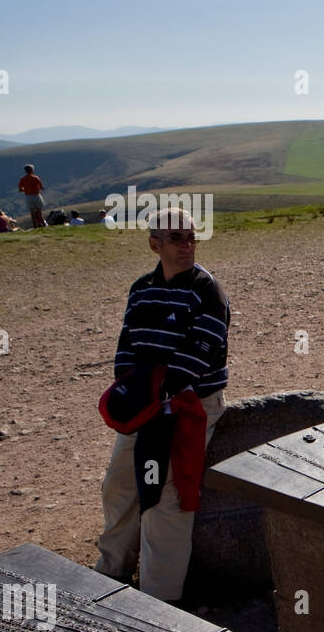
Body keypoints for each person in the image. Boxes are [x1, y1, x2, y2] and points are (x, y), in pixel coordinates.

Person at [95, 208, 230, 604]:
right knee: (119, 485)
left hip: (189, 404)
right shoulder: (141, 289)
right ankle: (110, 574)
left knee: (164, 497)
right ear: (155, 244)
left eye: (191, 237)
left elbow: (202, 350)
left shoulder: (208, 289)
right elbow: (127, 347)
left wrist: (162, 393)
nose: (186, 245)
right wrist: (131, 391)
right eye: (176, 238)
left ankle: (159, 601)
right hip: (148, 405)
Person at [17, 165, 46, 229]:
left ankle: (35, 226)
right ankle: (43, 225)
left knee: (32, 213)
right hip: (36, 195)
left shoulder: (22, 179)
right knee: (39, 212)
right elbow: (42, 187)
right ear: (32, 170)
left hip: (28, 197)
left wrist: (26, 189)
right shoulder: (35, 178)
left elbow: (20, 189)